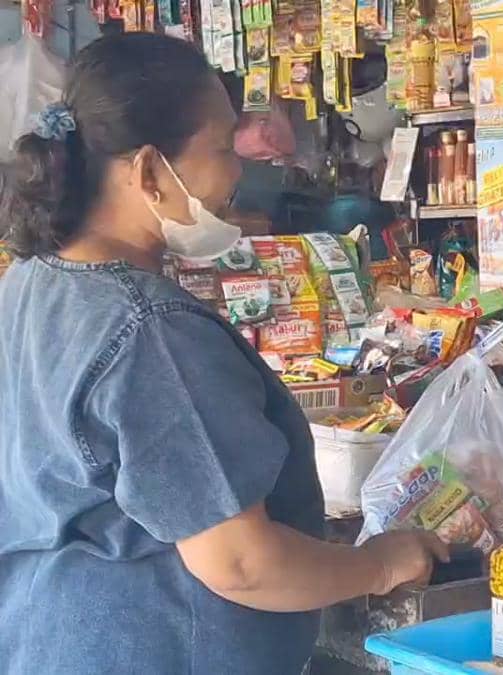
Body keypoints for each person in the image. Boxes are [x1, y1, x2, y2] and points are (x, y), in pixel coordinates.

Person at [0, 33, 447, 674]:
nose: (238, 173)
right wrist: (379, 565)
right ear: (148, 172)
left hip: (46, 640)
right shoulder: (152, 332)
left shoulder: (30, 282)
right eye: (219, 149)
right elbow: (241, 562)